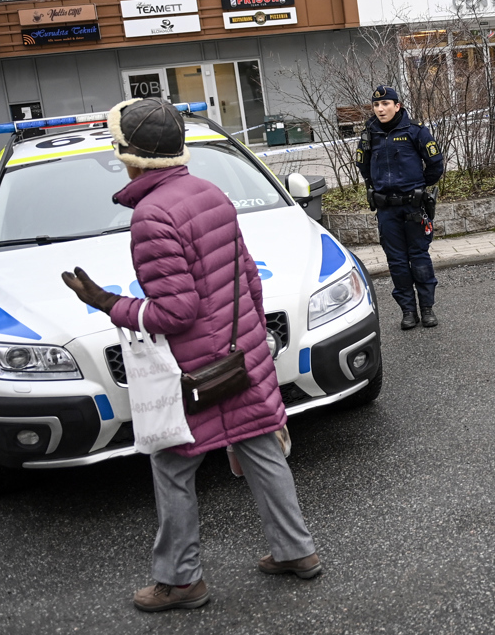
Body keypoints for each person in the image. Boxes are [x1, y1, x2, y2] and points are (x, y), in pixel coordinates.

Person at [60, 97, 320, 612]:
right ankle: (297, 551)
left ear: (130, 155)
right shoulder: (211, 193)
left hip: (193, 369)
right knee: (261, 448)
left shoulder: (152, 216)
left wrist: (113, 305)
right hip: (238, 352)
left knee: (172, 466)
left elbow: (175, 312)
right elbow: (247, 276)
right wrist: (247, 341)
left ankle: (181, 581)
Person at [354, 85, 445, 330]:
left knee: (419, 258)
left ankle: (426, 309)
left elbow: (435, 163)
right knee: (396, 261)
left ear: (397, 106)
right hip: (386, 209)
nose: (381, 109)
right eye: (376, 105)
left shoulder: (415, 131)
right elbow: (362, 166)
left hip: (413, 207)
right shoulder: (369, 133)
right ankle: (408, 311)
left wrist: (419, 186)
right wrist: (376, 186)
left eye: (386, 104)